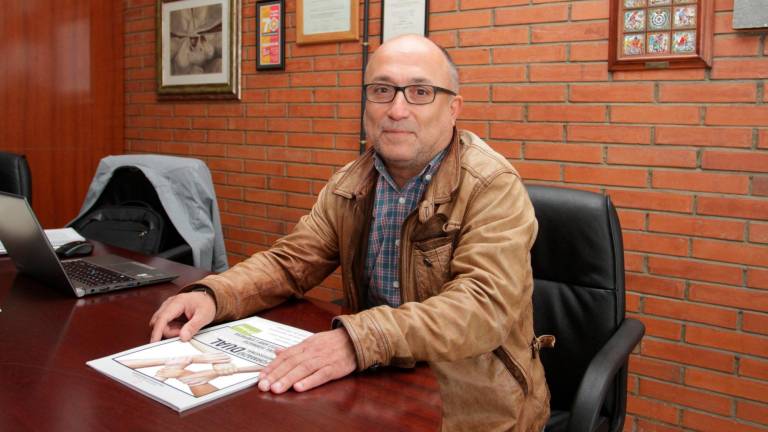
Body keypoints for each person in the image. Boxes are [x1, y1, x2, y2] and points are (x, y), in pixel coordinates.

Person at [150, 34, 550, 431]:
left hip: (473, 404)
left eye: (420, 92)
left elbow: (483, 307)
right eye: (381, 90)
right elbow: (290, 263)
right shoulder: (351, 183)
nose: (396, 109)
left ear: (453, 109)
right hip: (376, 385)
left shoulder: (492, 185)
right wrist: (215, 294)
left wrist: (356, 340)